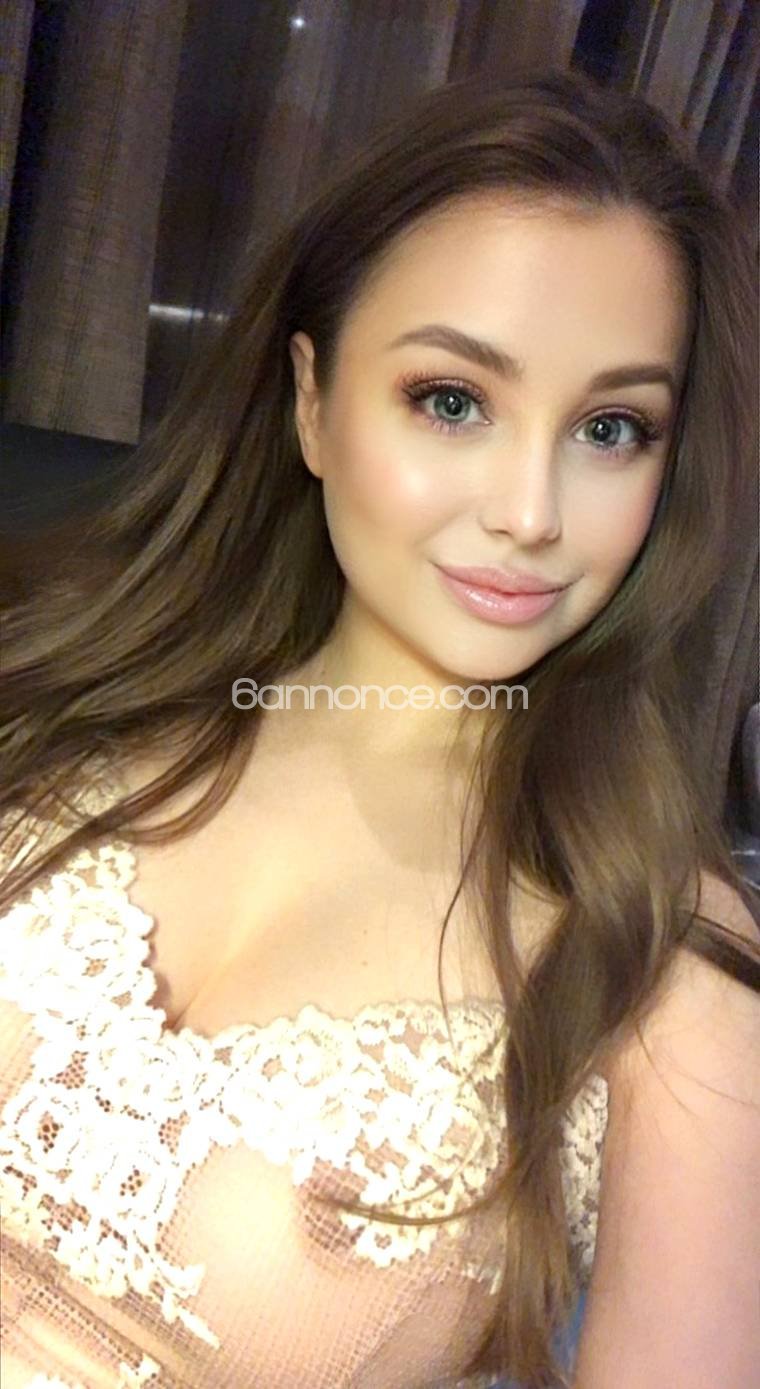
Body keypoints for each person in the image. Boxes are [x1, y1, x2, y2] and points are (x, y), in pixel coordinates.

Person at [1, 65, 758, 1389]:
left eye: (610, 428)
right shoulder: (56, 695)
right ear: (312, 399)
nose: (530, 510)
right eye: (452, 400)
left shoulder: (663, 962)